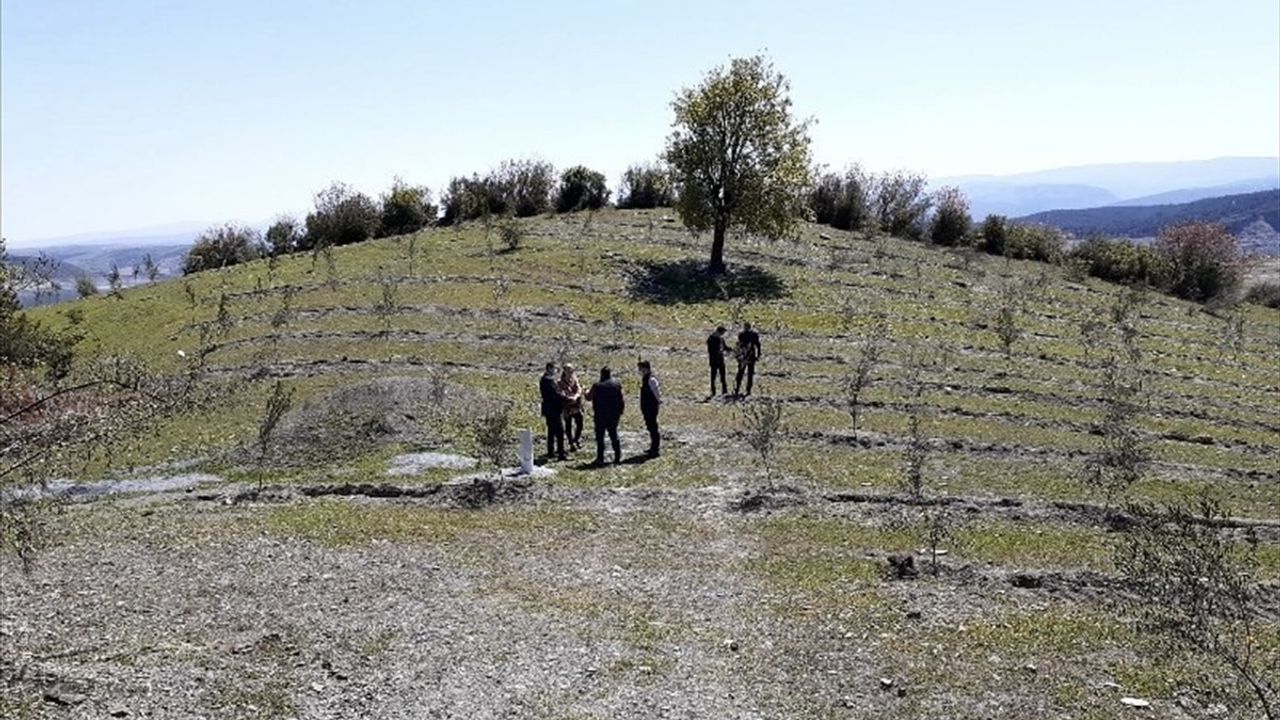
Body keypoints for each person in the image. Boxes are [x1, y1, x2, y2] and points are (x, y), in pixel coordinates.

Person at [585, 366, 624, 466]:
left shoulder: (597, 385)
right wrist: (620, 411)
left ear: (601, 374)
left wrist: (585, 391)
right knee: (614, 435)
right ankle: (617, 457)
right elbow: (621, 399)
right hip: (613, 415)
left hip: (600, 415)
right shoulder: (616, 384)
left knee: (600, 437)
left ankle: (600, 458)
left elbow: (589, 397)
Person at [538, 362, 566, 461]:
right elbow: (554, 395)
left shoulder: (547, 380)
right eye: (554, 368)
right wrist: (563, 396)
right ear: (549, 368)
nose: (555, 370)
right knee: (559, 431)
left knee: (551, 431)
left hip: (549, 409)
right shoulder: (547, 381)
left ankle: (551, 452)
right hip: (552, 409)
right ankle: (561, 453)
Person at [558, 363, 585, 452]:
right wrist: (569, 397)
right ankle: (571, 442)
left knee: (580, 423)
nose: (570, 372)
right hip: (567, 407)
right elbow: (562, 393)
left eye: (571, 370)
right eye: (568, 370)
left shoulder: (574, 379)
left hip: (576, 405)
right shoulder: (560, 382)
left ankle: (576, 439)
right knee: (568, 425)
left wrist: (576, 396)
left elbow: (579, 389)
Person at [637, 360, 662, 457]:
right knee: (650, 426)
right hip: (646, 407)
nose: (640, 371)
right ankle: (653, 447)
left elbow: (657, 392)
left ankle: (655, 448)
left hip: (651, 407)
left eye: (641, 368)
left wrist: (658, 402)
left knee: (653, 427)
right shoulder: (645, 378)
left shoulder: (651, 380)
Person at [734, 322, 763, 397]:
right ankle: (737, 389)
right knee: (741, 373)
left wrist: (758, 354)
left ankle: (747, 390)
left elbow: (758, 345)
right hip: (744, 356)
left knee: (749, 374)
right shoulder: (742, 334)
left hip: (750, 356)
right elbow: (739, 345)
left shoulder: (753, 335)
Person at [706, 326, 730, 397]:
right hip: (714, 360)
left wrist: (731, 350)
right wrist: (719, 351)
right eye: (722, 332)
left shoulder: (721, 339)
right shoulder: (711, 339)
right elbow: (711, 350)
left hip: (720, 360)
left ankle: (724, 391)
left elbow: (725, 347)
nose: (723, 334)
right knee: (713, 376)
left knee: (723, 375)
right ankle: (713, 391)